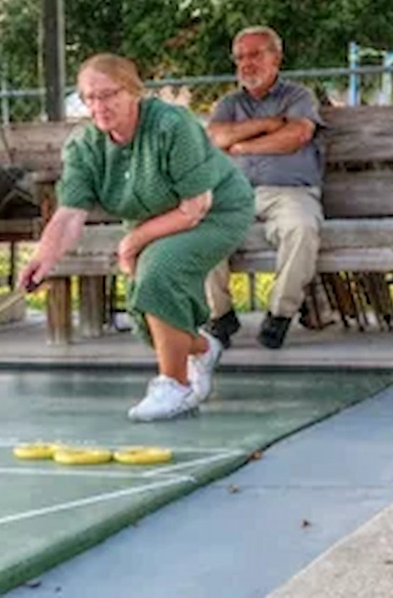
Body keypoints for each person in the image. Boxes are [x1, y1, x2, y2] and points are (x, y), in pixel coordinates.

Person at [18, 54, 254, 421]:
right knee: (145, 307)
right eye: (88, 98)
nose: (98, 106)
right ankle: (203, 347)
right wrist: (43, 259)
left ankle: (174, 386)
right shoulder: (85, 145)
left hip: (216, 211)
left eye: (107, 95)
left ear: (133, 91)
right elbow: (68, 214)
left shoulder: (171, 125)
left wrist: (132, 242)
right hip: (156, 217)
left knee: (158, 272)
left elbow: (196, 206)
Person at [204, 25, 326, 350]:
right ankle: (220, 316)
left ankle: (279, 315)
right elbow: (216, 137)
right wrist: (268, 125)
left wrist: (241, 146)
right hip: (233, 195)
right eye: (240, 57)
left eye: (256, 54)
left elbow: (296, 136)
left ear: (277, 58)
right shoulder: (229, 104)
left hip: (289, 193)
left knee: (301, 228)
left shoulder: (298, 97)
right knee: (198, 227)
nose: (247, 63)